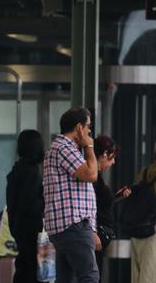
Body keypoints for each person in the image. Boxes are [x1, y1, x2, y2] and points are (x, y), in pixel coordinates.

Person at [43, 107, 99, 283]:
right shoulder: (64, 148)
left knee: (67, 279)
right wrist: (89, 146)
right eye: (88, 126)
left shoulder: (61, 148)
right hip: (72, 225)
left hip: (64, 226)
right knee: (89, 276)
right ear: (79, 128)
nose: (90, 130)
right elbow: (91, 175)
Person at [6, 129, 45, 283]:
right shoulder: (31, 172)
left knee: (23, 265)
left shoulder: (18, 168)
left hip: (18, 225)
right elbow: (30, 204)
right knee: (30, 269)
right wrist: (46, 201)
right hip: (29, 226)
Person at [92, 136, 129, 280]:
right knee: (92, 275)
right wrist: (93, 231)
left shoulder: (96, 177)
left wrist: (117, 196)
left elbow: (101, 202)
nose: (113, 162)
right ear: (104, 154)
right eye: (111, 158)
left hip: (98, 237)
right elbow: (89, 206)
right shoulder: (91, 176)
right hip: (94, 237)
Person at [131, 148, 156, 283]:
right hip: (153, 232)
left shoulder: (144, 172)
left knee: (137, 276)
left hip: (139, 227)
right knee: (150, 276)